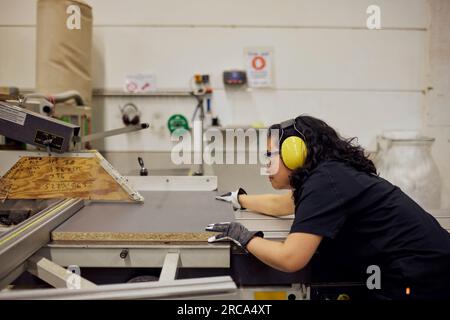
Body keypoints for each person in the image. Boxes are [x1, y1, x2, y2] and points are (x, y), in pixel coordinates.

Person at [207, 115, 450, 300]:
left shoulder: (325, 182)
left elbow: (290, 258)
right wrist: (240, 199)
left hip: (420, 280)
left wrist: (243, 237)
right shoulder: (329, 175)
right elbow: (282, 204)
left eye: (271, 154)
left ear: (296, 154)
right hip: (426, 269)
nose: (267, 162)